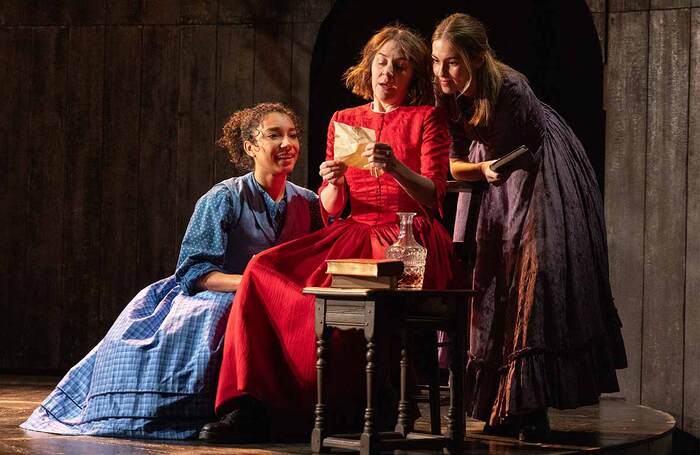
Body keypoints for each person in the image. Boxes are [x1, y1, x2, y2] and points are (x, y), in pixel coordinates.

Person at [199, 24, 460, 443]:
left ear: (413, 77)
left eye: (400, 65)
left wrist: (395, 167)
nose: (387, 71)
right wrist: (333, 182)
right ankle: (248, 403)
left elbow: (434, 196)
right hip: (354, 229)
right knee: (264, 268)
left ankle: (352, 404)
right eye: (381, 61)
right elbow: (331, 208)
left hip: (410, 235)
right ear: (368, 65)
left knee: (356, 296)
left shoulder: (427, 118)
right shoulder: (345, 119)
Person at [20, 103, 322, 440]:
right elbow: (194, 270)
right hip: (219, 291)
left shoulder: (307, 202)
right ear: (251, 147)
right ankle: (236, 409)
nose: (287, 143)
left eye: (292, 135)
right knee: (235, 310)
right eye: (274, 135)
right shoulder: (224, 197)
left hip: (278, 295)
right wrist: (253, 284)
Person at [431, 13, 628, 441]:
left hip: (535, 168)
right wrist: (474, 169)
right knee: (485, 277)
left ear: (478, 59)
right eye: (436, 61)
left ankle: (528, 404)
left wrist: (477, 168)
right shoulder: (444, 92)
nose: (441, 72)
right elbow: (454, 157)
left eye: (451, 63)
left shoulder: (511, 88)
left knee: (530, 278)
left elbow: (512, 152)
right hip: (488, 173)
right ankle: (497, 403)